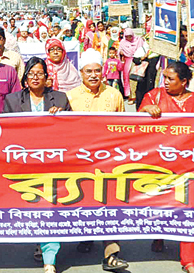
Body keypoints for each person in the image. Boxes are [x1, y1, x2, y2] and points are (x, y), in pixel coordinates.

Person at [138, 61, 194, 273]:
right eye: (165, 78)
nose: (166, 82)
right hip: (160, 164)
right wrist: (145, 110)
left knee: (189, 209)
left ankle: (188, 260)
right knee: (162, 204)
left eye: (170, 79)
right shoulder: (154, 96)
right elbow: (136, 125)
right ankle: (159, 234)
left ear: (184, 81)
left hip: (190, 166)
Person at [2, 57, 70, 273]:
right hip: (23, 165)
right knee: (33, 208)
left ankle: (50, 258)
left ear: (47, 78)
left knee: (50, 208)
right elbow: (5, 132)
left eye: (40, 73)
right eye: (31, 73)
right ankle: (39, 241)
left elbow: (72, 131)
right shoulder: (13, 100)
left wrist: (61, 118)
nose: (35, 77)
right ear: (25, 78)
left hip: (52, 164)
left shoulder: (60, 99)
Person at [66, 49, 128, 272]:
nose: (93, 75)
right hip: (80, 160)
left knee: (110, 204)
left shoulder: (114, 95)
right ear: (81, 73)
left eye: (97, 71)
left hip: (109, 160)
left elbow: (124, 128)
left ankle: (111, 254)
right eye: (88, 71)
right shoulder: (70, 97)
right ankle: (87, 235)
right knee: (84, 200)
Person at [118, 27, 147, 104]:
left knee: (136, 78)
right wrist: (120, 53)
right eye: (127, 36)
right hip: (127, 62)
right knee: (127, 78)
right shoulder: (123, 42)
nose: (129, 38)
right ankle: (129, 95)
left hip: (137, 61)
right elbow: (119, 51)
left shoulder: (138, 40)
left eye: (130, 36)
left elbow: (143, 49)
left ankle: (136, 95)